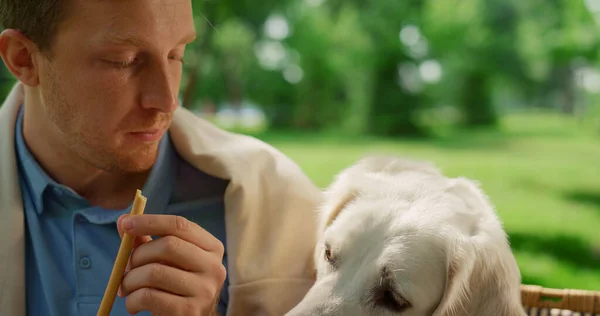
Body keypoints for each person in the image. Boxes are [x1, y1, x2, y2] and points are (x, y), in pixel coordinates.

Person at [0, 0, 322, 315]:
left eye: (176, 54)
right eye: (124, 60)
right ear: (23, 59)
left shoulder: (283, 204)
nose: (168, 101)